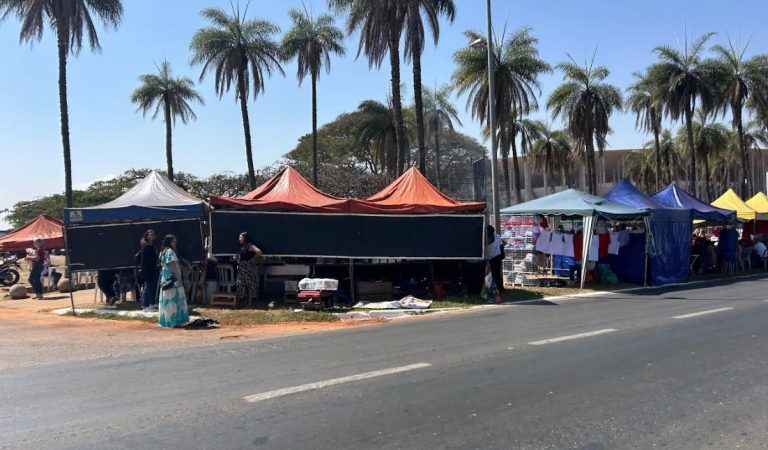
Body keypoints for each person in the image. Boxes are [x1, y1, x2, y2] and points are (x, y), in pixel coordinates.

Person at [158, 234, 189, 328]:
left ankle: (167, 320)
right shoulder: (170, 251)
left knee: (167, 298)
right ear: (169, 242)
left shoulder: (162, 251)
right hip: (172, 277)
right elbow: (172, 265)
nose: (175, 243)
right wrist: (178, 277)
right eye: (173, 241)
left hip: (165, 277)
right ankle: (174, 321)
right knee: (174, 299)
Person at [236, 232, 263, 306]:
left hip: (248, 266)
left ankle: (249, 304)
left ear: (245, 238)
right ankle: (245, 301)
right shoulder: (243, 246)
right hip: (242, 266)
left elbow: (259, 252)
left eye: (240, 237)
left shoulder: (250, 245)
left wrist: (252, 260)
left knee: (249, 285)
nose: (239, 239)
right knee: (240, 284)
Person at [138, 230, 159, 312]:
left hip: (152, 268)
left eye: (153, 234)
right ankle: (145, 305)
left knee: (152, 286)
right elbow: (147, 260)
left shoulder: (151, 246)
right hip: (148, 270)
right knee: (148, 287)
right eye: (150, 234)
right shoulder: (147, 246)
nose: (152, 236)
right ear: (146, 236)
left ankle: (151, 304)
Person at [485, 225, 505, 295]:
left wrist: (502, 256)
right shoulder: (484, 237)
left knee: (495, 273)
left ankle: (499, 288)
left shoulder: (497, 237)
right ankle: (491, 288)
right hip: (489, 258)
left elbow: (501, 246)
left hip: (496, 257)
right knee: (490, 274)